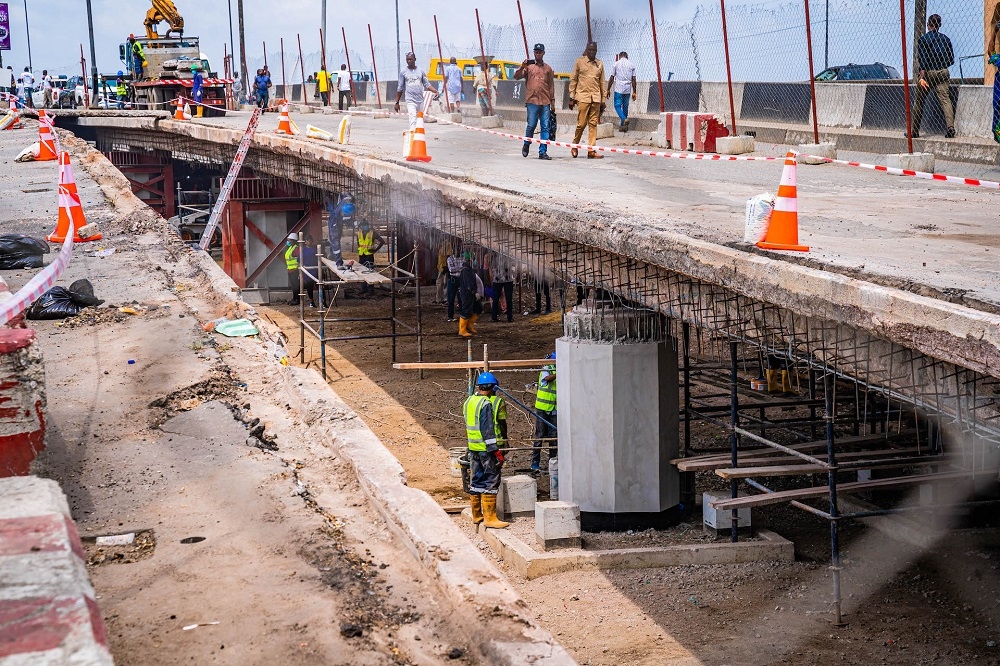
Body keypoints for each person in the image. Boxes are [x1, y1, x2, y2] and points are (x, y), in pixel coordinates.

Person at [464, 372, 509, 529]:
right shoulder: (485, 403)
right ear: (492, 387)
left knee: (477, 480)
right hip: (486, 450)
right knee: (491, 480)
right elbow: (487, 430)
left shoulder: (469, 401)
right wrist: (496, 451)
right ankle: (490, 518)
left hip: (473, 448)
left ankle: (477, 515)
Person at [911, 13, 955, 139]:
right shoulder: (946, 39)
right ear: (939, 25)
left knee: (919, 101)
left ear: (928, 25)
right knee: (945, 100)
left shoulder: (923, 39)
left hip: (929, 73)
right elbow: (951, 60)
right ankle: (950, 127)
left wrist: (922, 77)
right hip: (943, 72)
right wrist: (942, 65)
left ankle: (914, 131)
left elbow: (923, 60)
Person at [514, 43, 556, 160]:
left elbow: (551, 86)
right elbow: (516, 76)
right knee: (531, 125)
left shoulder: (548, 69)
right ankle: (526, 144)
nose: (537, 54)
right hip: (532, 101)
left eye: (539, 52)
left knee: (545, 127)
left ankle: (543, 151)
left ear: (543, 53)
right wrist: (522, 67)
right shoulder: (529, 67)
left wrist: (552, 103)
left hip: (545, 102)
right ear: (534, 53)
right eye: (536, 52)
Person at [569, 41, 606, 159]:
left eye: (594, 50)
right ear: (586, 50)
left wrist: (603, 100)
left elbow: (602, 82)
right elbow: (573, 80)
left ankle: (591, 151)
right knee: (581, 124)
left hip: (595, 98)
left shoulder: (599, 64)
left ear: (596, 51)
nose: (592, 52)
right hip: (582, 97)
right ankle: (574, 145)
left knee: (593, 124)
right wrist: (571, 97)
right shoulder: (579, 62)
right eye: (589, 50)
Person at [394, 52, 438, 131]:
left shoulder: (421, 71)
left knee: (420, 119)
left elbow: (427, 84)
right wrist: (397, 102)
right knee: (412, 118)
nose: (409, 61)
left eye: (410, 59)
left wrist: (435, 91)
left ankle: (419, 138)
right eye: (407, 59)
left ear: (415, 59)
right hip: (410, 100)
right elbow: (400, 88)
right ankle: (412, 137)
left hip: (420, 100)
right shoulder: (403, 72)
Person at [531, 352, 557, 472]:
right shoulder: (547, 367)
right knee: (539, 435)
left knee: (554, 437)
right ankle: (535, 462)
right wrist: (559, 372)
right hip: (542, 407)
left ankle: (553, 461)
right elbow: (546, 379)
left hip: (554, 408)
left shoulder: (559, 368)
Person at [607, 51, 637, 132]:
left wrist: (608, 89)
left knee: (617, 106)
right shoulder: (631, 65)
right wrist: (634, 91)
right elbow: (634, 79)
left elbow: (612, 77)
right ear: (627, 57)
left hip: (619, 89)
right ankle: (623, 127)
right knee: (625, 107)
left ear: (620, 56)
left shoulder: (616, 64)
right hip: (627, 89)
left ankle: (623, 119)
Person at [355, 219, 385, 297]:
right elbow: (359, 244)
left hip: (369, 255)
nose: (366, 227)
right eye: (364, 225)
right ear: (361, 226)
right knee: (362, 272)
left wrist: (375, 250)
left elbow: (382, 241)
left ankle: (370, 290)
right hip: (362, 255)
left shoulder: (373, 233)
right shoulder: (358, 234)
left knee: (370, 272)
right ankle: (363, 288)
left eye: (366, 225)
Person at [326, 192, 355, 268]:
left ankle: (333, 255)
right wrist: (353, 224)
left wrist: (353, 222)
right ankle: (339, 263)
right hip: (333, 222)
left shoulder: (348, 204)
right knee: (335, 242)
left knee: (337, 239)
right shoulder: (342, 210)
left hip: (338, 221)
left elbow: (348, 219)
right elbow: (347, 220)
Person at [457, 254, 483, 337]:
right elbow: (468, 283)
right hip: (467, 293)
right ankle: (462, 330)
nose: (475, 261)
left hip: (471, 293)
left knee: (478, 308)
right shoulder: (465, 270)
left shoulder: (469, 269)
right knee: (466, 310)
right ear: (469, 260)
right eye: (473, 259)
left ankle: (469, 326)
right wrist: (474, 292)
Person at [490, 255, 515, 323]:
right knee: (508, 298)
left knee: (496, 298)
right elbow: (514, 265)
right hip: (507, 278)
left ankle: (494, 317)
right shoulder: (509, 255)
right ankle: (509, 317)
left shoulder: (494, 255)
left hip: (498, 279)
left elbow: (492, 267)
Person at [445, 245, 463, 322]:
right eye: (456, 251)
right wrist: (460, 268)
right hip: (453, 279)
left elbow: (464, 268)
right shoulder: (449, 258)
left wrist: (458, 269)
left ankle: (463, 315)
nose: (458, 253)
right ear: (453, 252)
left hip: (461, 279)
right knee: (451, 299)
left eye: (459, 251)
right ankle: (450, 316)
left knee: (461, 298)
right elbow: (451, 270)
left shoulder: (462, 258)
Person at [300, 235, 318, 308]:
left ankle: (323, 302)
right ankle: (311, 301)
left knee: (319, 285)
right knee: (309, 286)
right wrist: (300, 272)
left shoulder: (315, 249)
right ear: (305, 241)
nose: (309, 241)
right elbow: (299, 260)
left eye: (310, 240)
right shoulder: (303, 250)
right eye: (307, 240)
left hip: (315, 270)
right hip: (307, 271)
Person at [284, 233, 300, 305]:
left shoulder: (296, 248)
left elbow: (299, 258)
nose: (288, 241)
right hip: (290, 270)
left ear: (293, 240)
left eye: (289, 240)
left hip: (295, 270)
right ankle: (294, 298)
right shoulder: (290, 248)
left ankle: (297, 299)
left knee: (296, 285)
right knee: (293, 285)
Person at [435, 239, 453, 304]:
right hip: (440, 267)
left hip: (445, 267)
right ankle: (439, 299)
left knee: (446, 283)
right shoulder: (440, 244)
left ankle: (446, 299)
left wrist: (447, 267)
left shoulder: (447, 244)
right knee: (439, 283)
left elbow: (449, 256)